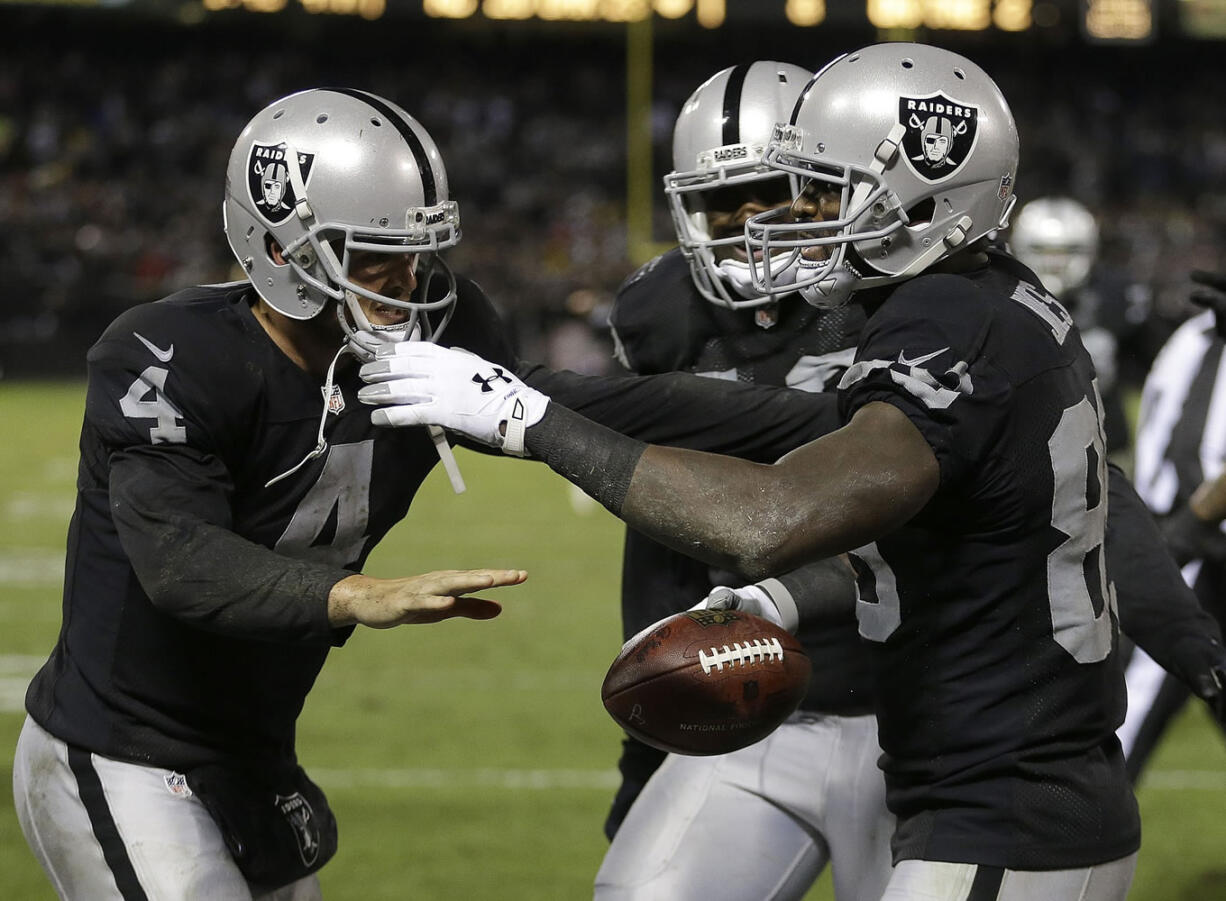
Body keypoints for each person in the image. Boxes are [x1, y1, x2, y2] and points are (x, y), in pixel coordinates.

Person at [355, 44, 1200, 899]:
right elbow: (888, 504)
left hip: (1000, 791)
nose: (792, 218)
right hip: (950, 763)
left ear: (917, 201)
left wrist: (529, 417)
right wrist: (779, 601)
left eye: (825, 191)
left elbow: (776, 515)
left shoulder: (946, 332)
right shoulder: (977, 302)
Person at [11, 86, 856, 901]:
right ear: (281, 248)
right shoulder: (166, 356)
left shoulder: (436, 329)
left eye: (418, 248)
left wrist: (845, 417)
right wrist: (358, 593)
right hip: (119, 742)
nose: (408, 279)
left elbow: (600, 405)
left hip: (252, 747)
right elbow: (179, 562)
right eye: (372, 250)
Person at [594, 61, 892, 901]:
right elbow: (657, 527)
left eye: (772, 192)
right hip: (758, 699)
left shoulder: (903, 295)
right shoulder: (665, 311)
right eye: (723, 202)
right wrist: (646, 742)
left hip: (921, 701)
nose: (749, 222)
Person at [1121, 268, 1226, 782]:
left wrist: (1188, 528)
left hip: (1199, 539)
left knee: (1138, 686)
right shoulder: (1193, 335)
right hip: (1175, 531)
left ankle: (1077, 831)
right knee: (1139, 682)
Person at [1008, 196, 1132, 454]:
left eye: (1068, 251)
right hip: (1026, 441)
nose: (1055, 263)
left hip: (1104, 439)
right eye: (1043, 251)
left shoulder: (1112, 295)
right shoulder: (1001, 296)